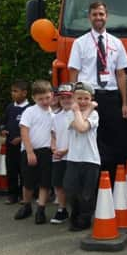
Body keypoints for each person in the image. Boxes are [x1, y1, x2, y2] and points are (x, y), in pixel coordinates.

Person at [68, 1, 127, 185]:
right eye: (95, 14)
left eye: (101, 14)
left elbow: (120, 74)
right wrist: (75, 101)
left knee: (114, 139)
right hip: (89, 96)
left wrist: (125, 102)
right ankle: (92, 183)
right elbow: (74, 72)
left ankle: (110, 182)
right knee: (92, 138)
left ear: (107, 16)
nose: (98, 18)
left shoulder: (116, 43)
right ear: (89, 17)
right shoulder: (80, 43)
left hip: (111, 96)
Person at [62, 82, 101, 231]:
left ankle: (84, 219)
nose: (83, 102)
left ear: (91, 98)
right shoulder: (69, 114)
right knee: (70, 189)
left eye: (86, 99)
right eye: (79, 98)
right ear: (73, 98)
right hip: (73, 158)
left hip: (90, 158)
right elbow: (78, 126)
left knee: (87, 193)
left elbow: (83, 128)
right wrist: (84, 110)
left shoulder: (95, 114)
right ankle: (75, 214)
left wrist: (80, 111)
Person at [13, 80, 54, 223]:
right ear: (34, 98)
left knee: (45, 182)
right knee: (28, 182)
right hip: (30, 151)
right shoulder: (29, 111)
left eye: (47, 98)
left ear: (52, 95)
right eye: (40, 99)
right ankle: (26, 205)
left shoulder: (53, 113)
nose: (44, 101)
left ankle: (41, 208)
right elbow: (24, 131)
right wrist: (29, 151)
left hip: (46, 151)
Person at [1, 79, 30, 205]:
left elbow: (32, 128)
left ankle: (25, 195)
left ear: (24, 93)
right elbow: (4, 122)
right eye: (12, 91)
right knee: (11, 170)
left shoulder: (30, 109)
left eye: (16, 91)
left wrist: (21, 138)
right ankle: (12, 195)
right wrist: (3, 130)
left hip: (23, 145)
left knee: (23, 171)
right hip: (10, 144)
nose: (13, 93)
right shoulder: (10, 107)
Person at [50, 83, 75, 225]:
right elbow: (53, 134)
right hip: (58, 155)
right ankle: (62, 209)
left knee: (72, 185)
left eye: (69, 97)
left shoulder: (76, 115)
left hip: (72, 155)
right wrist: (54, 148)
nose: (66, 100)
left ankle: (76, 210)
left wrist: (66, 150)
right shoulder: (55, 116)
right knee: (58, 184)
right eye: (63, 97)